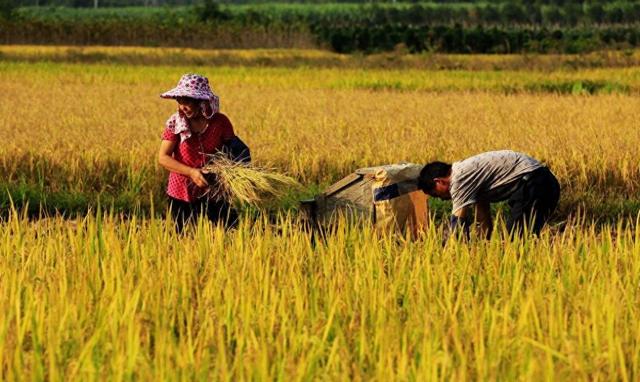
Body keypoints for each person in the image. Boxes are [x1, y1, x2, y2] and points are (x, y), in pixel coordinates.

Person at [158, 73, 249, 232]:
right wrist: (192, 172)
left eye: (187, 102)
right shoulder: (175, 123)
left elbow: (234, 151)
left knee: (230, 232)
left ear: (201, 102)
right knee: (184, 237)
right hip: (181, 192)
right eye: (179, 102)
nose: (182, 107)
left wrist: (231, 172)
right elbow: (163, 158)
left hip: (214, 189)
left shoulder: (220, 122)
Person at [417, 150, 560, 239]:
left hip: (535, 184)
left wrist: (448, 253)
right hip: (541, 183)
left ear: (439, 181)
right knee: (522, 238)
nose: (441, 199)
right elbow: (483, 219)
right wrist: (483, 244)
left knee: (516, 240)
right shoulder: (470, 179)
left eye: (436, 194)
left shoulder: (458, 179)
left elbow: (457, 225)